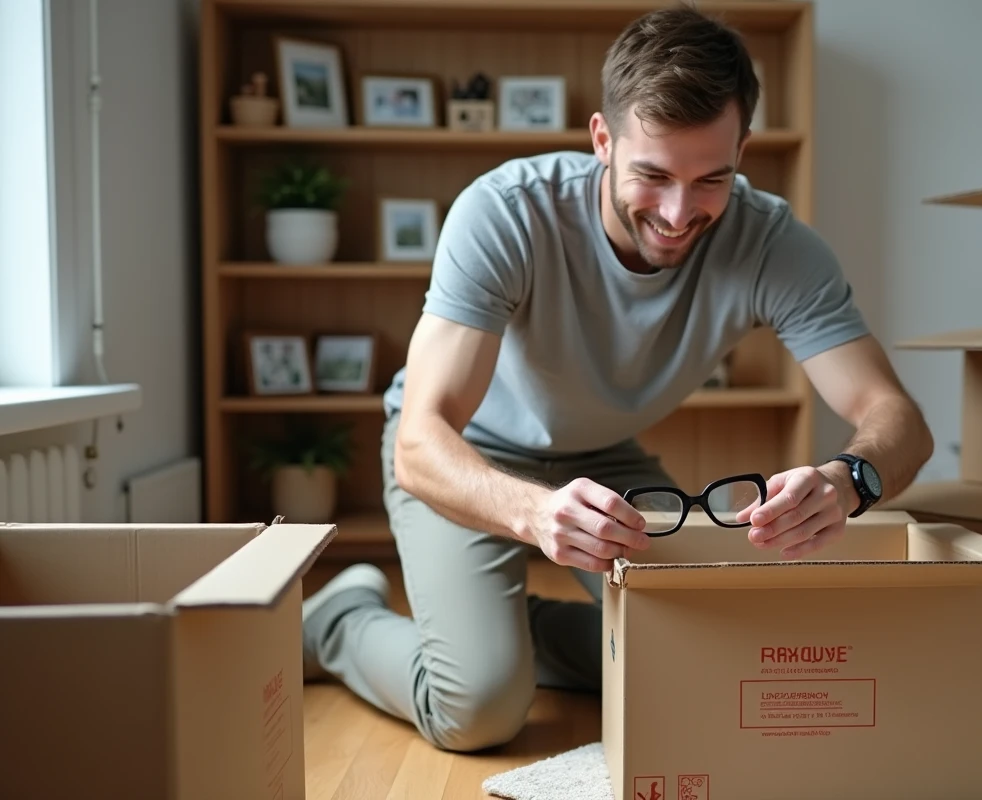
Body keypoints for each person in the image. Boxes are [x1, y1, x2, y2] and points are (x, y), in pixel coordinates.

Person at [300, 5, 934, 753]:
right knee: (477, 710)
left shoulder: (772, 243)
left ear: (743, 150)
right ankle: (337, 621)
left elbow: (897, 418)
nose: (677, 212)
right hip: (465, 457)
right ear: (603, 139)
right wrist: (535, 517)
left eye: (711, 179)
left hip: (600, 461)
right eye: (653, 174)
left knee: (721, 663)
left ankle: (495, 628)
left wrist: (849, 478)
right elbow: (421, 442)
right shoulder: (506, 213)